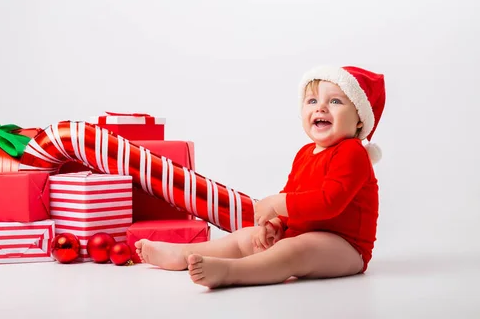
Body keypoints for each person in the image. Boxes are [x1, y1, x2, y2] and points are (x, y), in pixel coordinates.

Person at [135, 65, 386, 288]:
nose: (320, 107)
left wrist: (276, 204)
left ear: (360, 122)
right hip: (305, 237)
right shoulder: (305, 153)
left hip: (346, 248)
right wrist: (276, 225)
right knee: (246, 239)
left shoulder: (352, 152)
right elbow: (295, 197)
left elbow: (329, 202)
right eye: (312, 101)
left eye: (335, 102)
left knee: (293, 250)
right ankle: (184, 253)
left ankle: (231, 272)